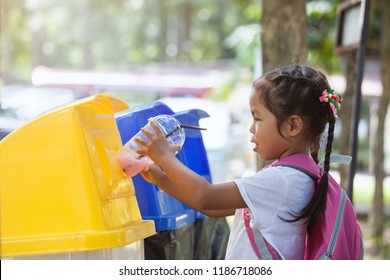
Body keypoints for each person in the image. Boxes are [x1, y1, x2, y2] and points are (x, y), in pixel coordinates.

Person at [134, 64, 342, 260]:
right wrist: (160, 178)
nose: (251, 128)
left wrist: (164, 156)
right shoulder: (299, 176)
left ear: (293, 126)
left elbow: (206, 197)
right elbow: (212, 208)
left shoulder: (283, 180)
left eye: (258, 119)